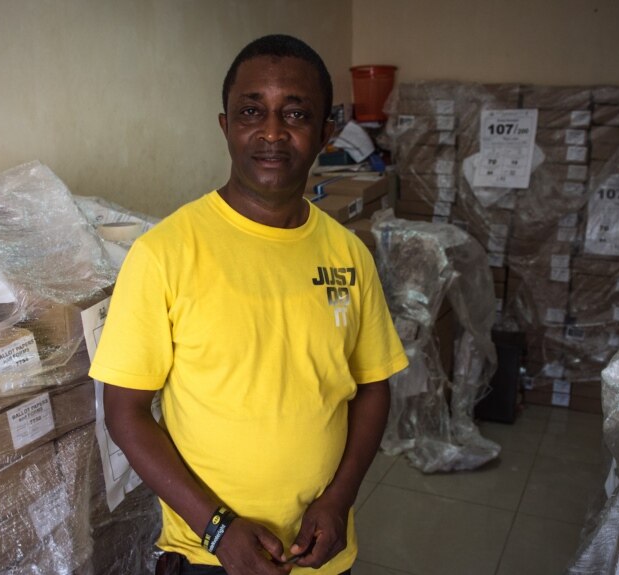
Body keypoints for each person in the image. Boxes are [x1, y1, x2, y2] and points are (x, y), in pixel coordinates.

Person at [89, 34, 408, 575]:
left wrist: (340, 499)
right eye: (251, 111)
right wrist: (217, 529)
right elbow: (125, 413)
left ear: (326, 132)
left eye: (296, 113)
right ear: (225, 126)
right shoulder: (164, 254)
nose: (272, 132)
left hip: (321, 553)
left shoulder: (349, 255)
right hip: (208, 554)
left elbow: (374, 386)